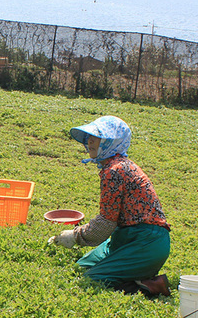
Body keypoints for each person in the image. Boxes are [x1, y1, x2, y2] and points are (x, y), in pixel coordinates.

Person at [48, 115, 171, 297]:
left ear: (111, 142)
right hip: (126, 237)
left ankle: (151, 285)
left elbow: (106, 222)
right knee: (81, 267)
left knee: (93, 279)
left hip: (146, 242)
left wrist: (74, 236)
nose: (90, 141)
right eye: (89, 136)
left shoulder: (114, 171)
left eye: (97, 137)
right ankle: (135, 275)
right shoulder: (118, 166)